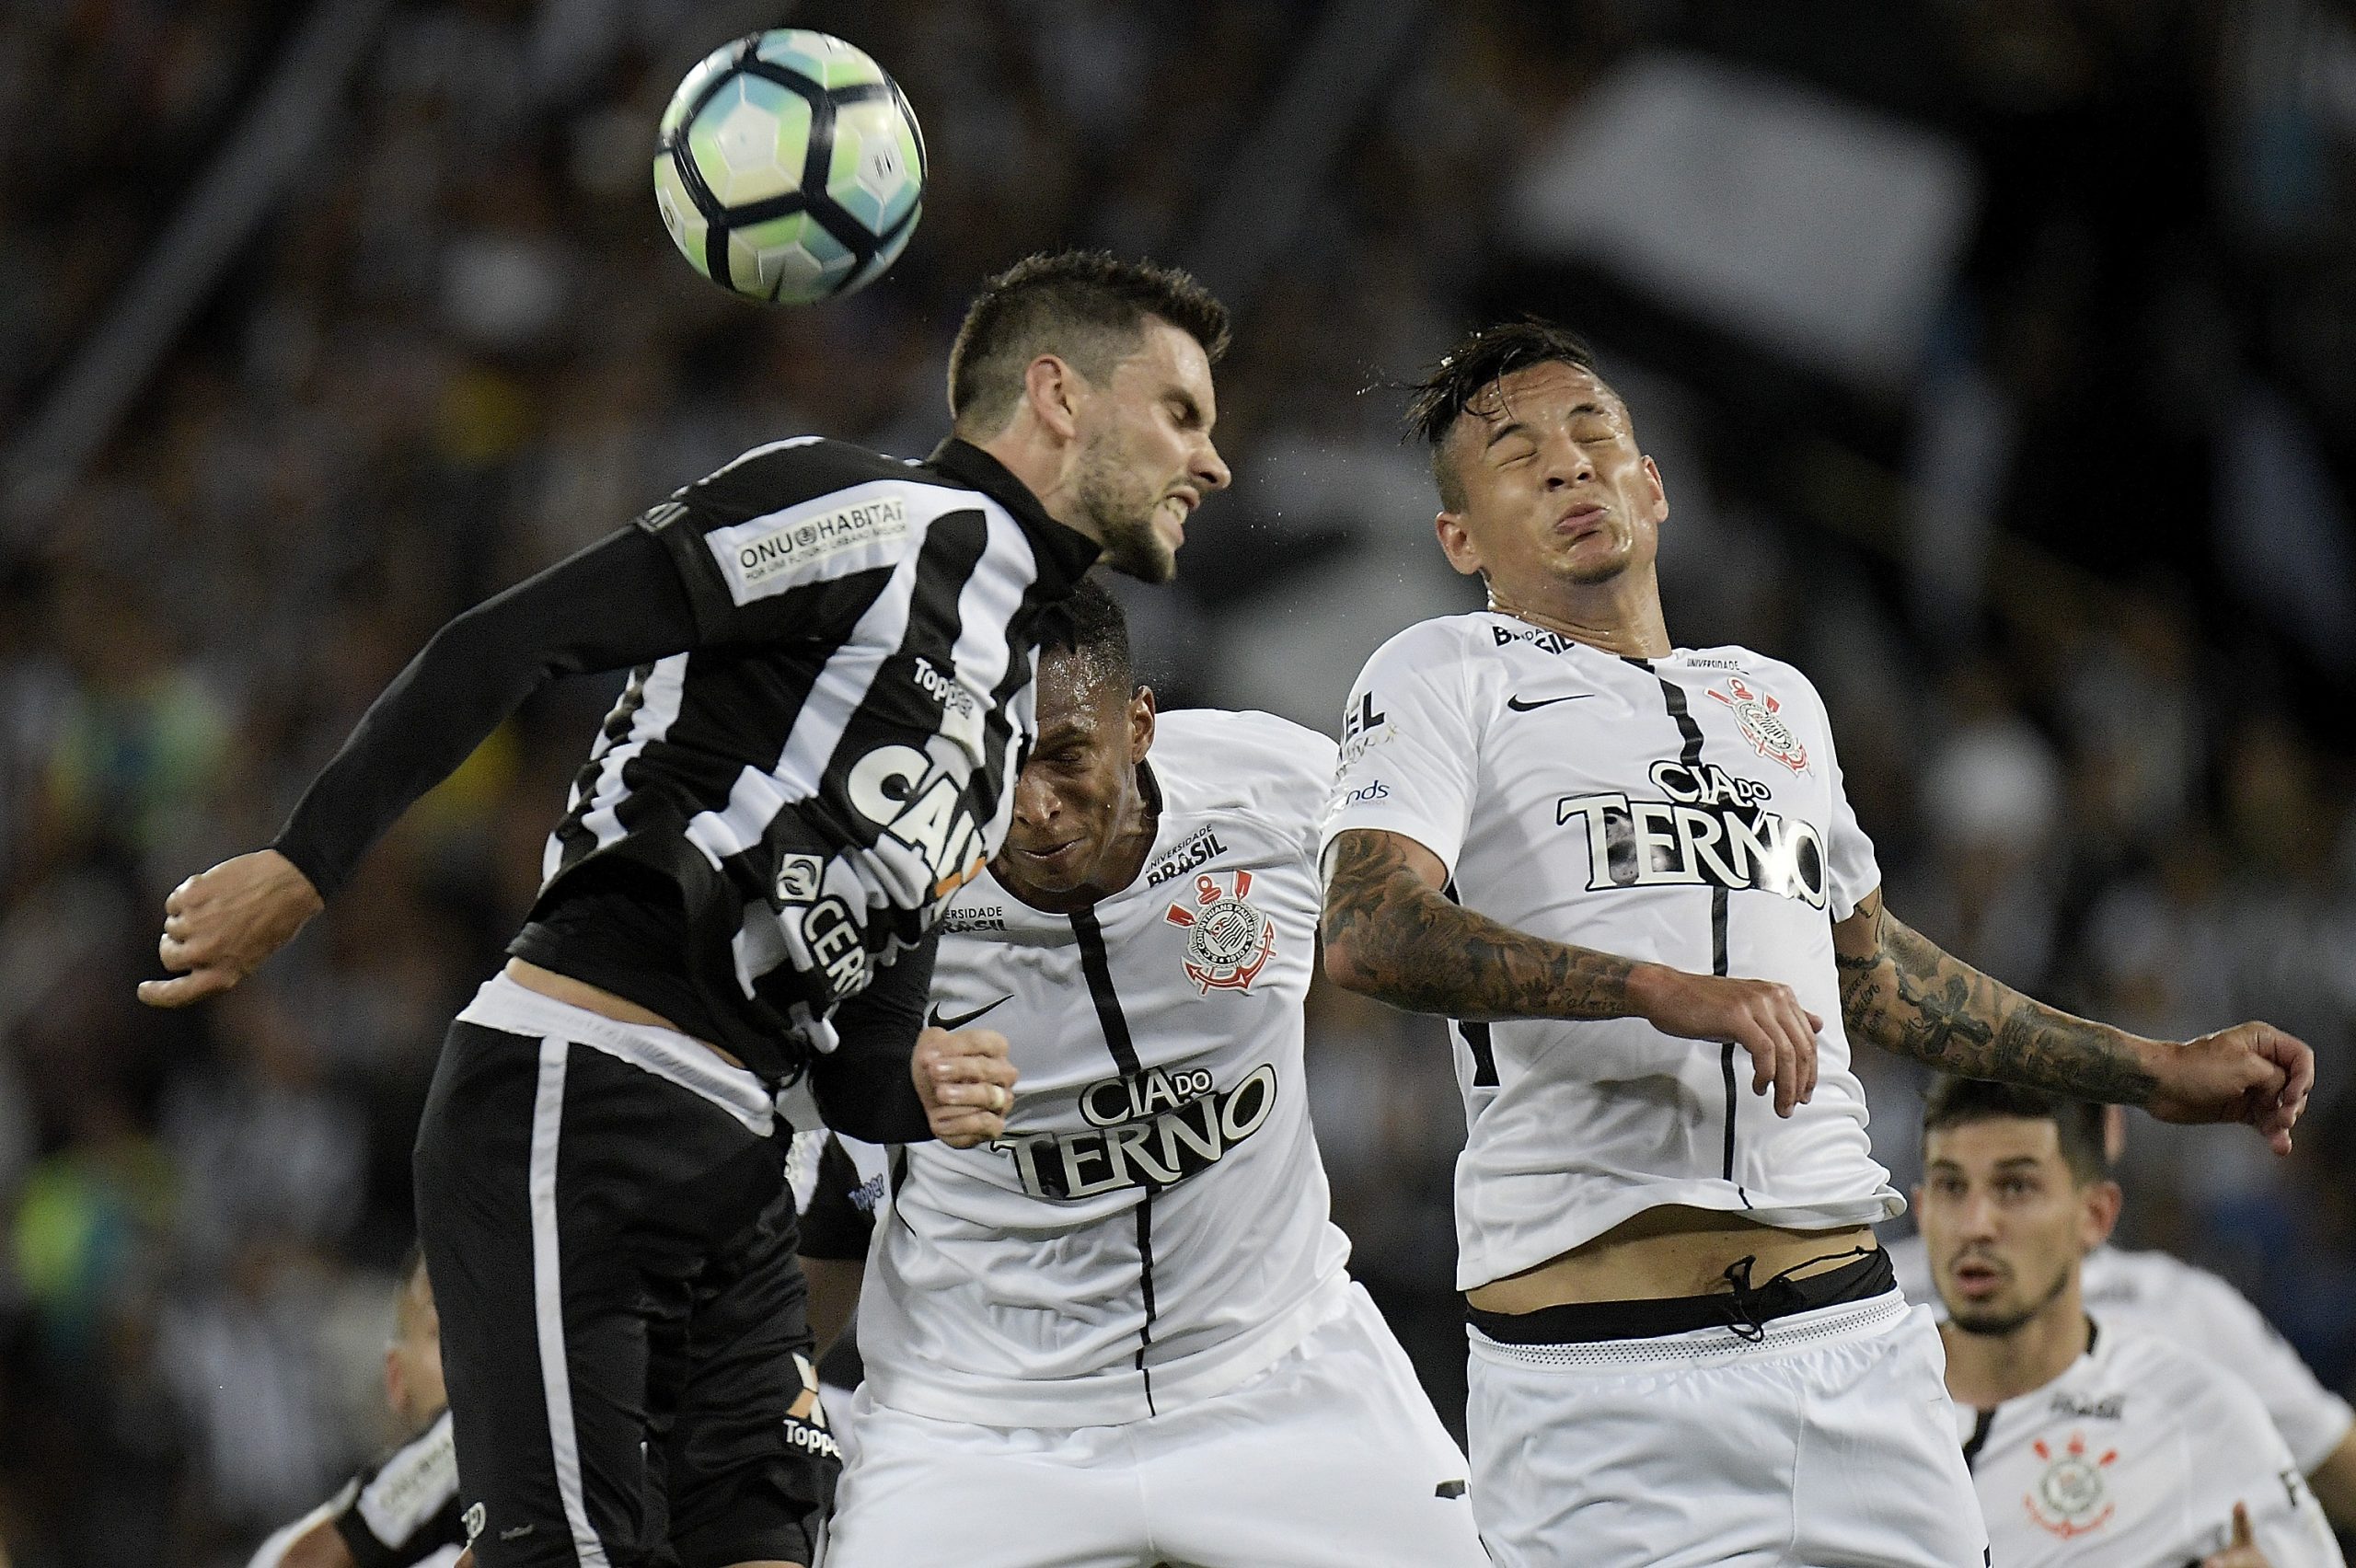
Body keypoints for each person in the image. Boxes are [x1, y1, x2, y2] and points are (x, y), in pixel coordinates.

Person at [141, 250, 1234, 1568]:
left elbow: (868, 1050)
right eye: (1181, 412)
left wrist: (924, 1087)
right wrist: (305, 863)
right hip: (581, 1091)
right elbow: (514, 637)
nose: (1212, 462)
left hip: (739, 1162)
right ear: (1057, 396)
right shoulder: (861, 513)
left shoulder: (1001, 715)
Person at [1316, 319, 2316, 1567]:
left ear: (1654, 485)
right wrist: (1652, 989)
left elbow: (1875, 976)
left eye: (1594, 436)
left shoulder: (1774, 699)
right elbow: (1367, 931)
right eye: (1518, 456)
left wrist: (2152, 1073)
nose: (1571, 468)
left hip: (1854, 1358)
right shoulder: (1442, 671)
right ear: (1459, 539)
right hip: (1604, 1399)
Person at [815, 582, 1488, 1567]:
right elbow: (757, 1111)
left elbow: (1478, 896)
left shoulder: (1279, 790)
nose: (1033, 807)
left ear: (1139, 725)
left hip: (1278, 1371)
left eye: (1066, 756)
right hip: (973, 1420)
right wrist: (878, 1073)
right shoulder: (877, 870)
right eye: (995, 765)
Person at [1916, 1078, 2343, 1567]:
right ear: (1923, 1207)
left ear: (2096, 1215)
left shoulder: (2196, 1414)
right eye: (1950, 1185)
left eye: (2016, 1186)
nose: (1975, 1224)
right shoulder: (1849, 1404)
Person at [248, 1251, 465, 1568]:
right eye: (443, 1334)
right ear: (396, 1377)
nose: (470, 1359)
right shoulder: (287, 1551)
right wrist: (447, 1453)